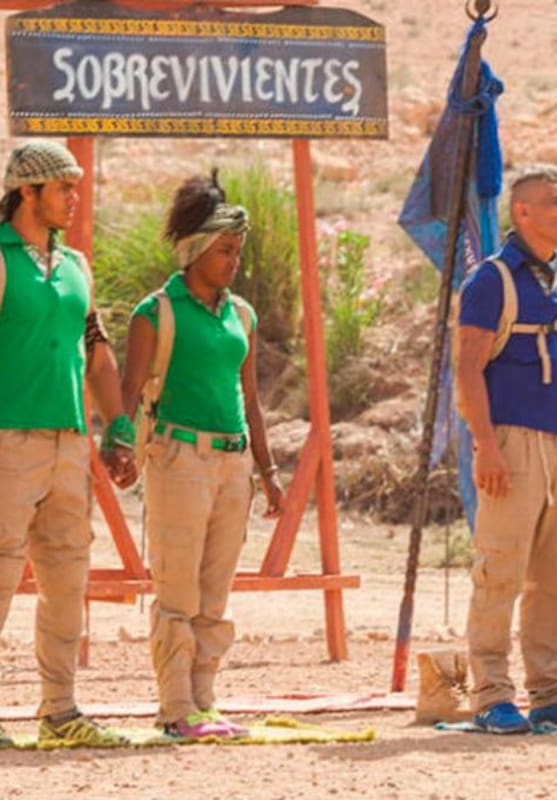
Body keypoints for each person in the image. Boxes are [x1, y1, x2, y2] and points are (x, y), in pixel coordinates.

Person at [120, 171, 283, 739]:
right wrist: (118, 444)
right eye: (223, 251)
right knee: (177, 589)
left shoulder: (241, 315)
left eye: (237, 251)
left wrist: (268, 471)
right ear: (193, 251)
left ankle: (205, 701)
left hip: (233, 464)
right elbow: (127, 390)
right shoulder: (156, 312)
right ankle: (175, 707)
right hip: (178, 458)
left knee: (216, 591)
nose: (234, 261)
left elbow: (252, 399)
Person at [456, 166, 557, 734]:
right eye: (554, 204)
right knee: (499, 568)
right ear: (521, 213)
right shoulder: (491, 280)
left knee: (556, 573)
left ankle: (550, 691)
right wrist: (485, 446)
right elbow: (468, 367)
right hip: (513, 440)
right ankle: (491, 693)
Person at [0, 140, 136, 747]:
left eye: (75, 188)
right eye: (62, 189)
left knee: (65, 577)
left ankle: (60, 711)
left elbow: (97, 349)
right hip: (9, 437)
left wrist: (119, 426)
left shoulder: (75, 263)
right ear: (26, 192)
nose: (74, 200)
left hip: (67, 442)